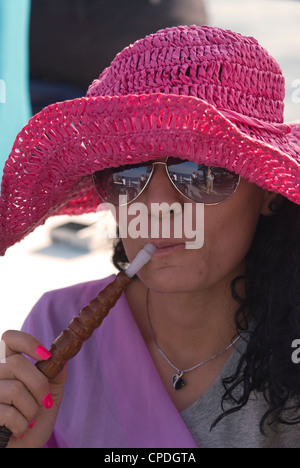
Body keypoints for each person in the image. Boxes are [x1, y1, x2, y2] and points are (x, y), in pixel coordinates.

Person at [0, 25, 300, 448]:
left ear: (267, 191)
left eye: (199, 172)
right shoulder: (51, 330)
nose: (156, 206)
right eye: (127, 175)